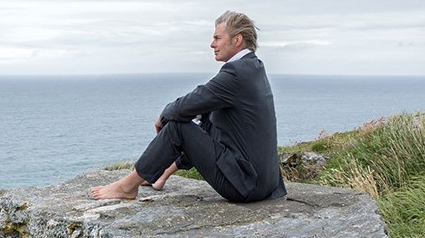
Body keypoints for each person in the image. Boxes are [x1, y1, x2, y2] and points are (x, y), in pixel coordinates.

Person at [91, 11, 286, 203]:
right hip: (267, 185)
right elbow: (203, 119)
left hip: (246, 186)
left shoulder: (236, 73)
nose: (212, 44)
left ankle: (127, 187)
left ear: (237, 40)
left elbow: (187, 104)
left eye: (217, 38)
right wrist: (167, 170)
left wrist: (162, 117)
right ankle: (161, 174)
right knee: (206, 118)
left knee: (178, 125)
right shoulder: (254, 67)